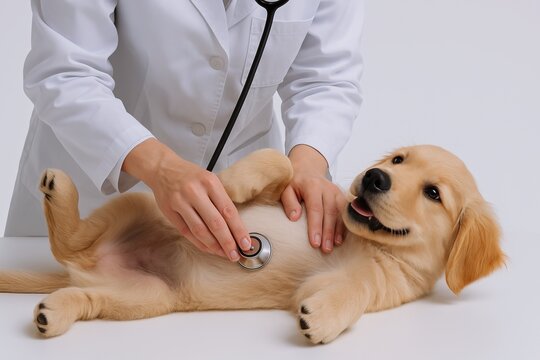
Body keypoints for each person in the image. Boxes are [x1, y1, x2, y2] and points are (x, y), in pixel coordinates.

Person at [6, 0, 364, 263]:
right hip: (91, 192)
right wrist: (161, 168)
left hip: (240, 215)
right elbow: (65, 73)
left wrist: (308, 164)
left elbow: (325, 78)